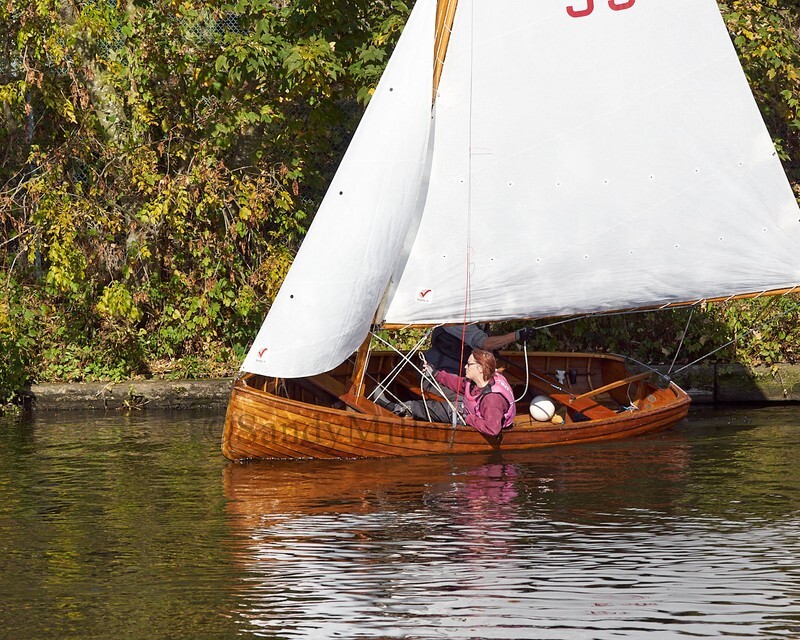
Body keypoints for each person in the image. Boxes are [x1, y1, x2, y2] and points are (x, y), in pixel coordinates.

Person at [385, 349, 517, 441]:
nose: (465, 367)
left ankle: (401, 408)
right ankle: (401, 407)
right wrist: (436, 373)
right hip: (469, 411)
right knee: (434, 407)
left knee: (437, 409)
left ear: (480, 368)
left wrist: (468, 418)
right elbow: (457, 383)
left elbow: (492, 429)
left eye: (469, 364)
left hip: (472, 417)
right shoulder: (477, 381)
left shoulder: (492, 399)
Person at [426, 323, 536, 374]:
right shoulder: (455, 321)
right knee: (465, 402)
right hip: (438, 369)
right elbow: (484, 344)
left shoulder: (479, 320)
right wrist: (517, 335)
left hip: (459, 368)